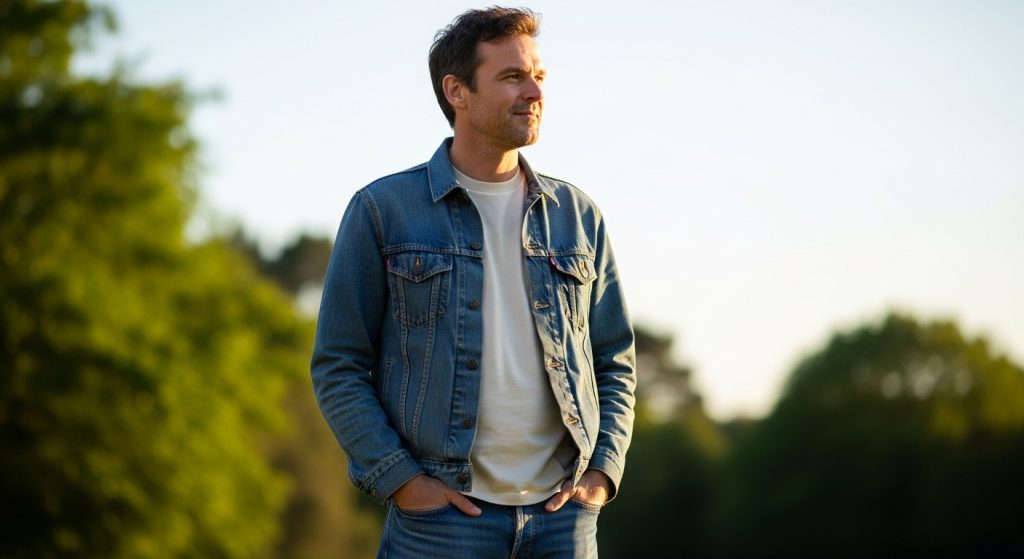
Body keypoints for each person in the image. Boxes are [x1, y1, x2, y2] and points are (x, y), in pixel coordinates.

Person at [311, 7, 635, 557]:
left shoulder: (578, 216)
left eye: (538, 76)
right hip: (441, 522)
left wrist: (601, 474)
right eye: (512, 76)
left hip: (564, 518)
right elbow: (338, 364)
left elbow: (615, 360)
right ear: (456, 91)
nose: (534, 90)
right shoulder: (382, 211)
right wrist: (403, 481)